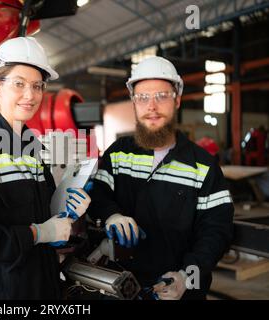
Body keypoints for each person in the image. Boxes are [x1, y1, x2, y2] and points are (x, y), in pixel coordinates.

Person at [0, 37, 91, 300]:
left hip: (42, 288)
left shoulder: (32, 149)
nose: (30, 95)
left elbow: (44, 218)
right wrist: (38, 234)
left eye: (37, 86)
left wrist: (68, 213)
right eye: (19, 84)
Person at [87, 56, 234, 300]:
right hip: (119, 287)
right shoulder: (119, 153)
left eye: (162, 96)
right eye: (143, 97)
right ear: (134, 102)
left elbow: (217, 232)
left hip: (176, 291)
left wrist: (188, 276)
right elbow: (98, 193)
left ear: (177, 100)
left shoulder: (203, 166)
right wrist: (111, 214)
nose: (151, 106)